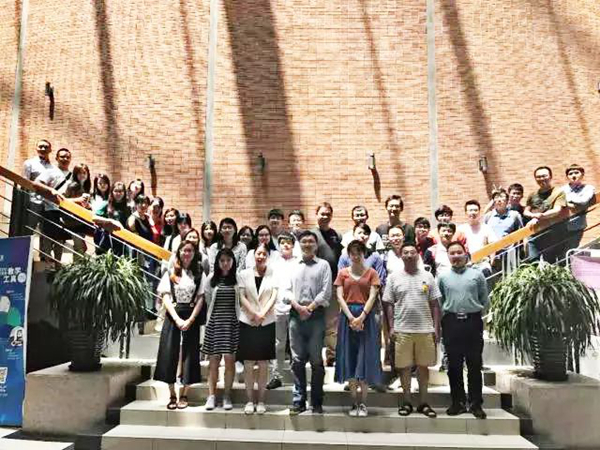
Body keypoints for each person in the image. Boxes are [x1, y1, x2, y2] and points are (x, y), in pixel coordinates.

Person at [383, 242, 441, 418]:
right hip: (402, 330)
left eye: (412, 252)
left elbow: (435, 304)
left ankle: (424, 403)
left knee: (423, 367)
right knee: (404, 368)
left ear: (418, 255)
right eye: (405, 252)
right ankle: (406, 402)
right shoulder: (393, 278)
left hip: (425, 330)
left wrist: (436, 328)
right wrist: (391, 327)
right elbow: (388, 304)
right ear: (401, 256)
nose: (409, 255)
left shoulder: (428, 276)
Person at [438, 241, 488, 419]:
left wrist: (477, 315)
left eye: (459, 252)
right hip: (451, 323)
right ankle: (457, 402)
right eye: (452, 253)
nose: (456, 256)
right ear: (448, 256)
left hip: (472, 322)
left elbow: (484, 299)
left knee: (474, 364)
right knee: (454, 365)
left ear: (465, 254)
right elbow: (439, 301)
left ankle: (475, 404)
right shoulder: (442, 277)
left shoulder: (477, 275)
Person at [285, 230, 332, 414]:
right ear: (299, 244)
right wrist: (299, 308)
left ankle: (317, 402)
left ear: (316, 245)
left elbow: (326, 292)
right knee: (297, 360)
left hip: (316, 316)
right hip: (295, 315)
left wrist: (309, 308)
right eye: (304, 241)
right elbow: (286, 290)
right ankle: (299, 401)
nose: (307, 244)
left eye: (311, 241)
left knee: (316, 360)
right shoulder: (292, 265)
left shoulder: (323, 265)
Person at [154, 240, 204, 410]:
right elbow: (166, 297)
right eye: (184, 251)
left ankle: (184, 393)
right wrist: (176, 319)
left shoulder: (199, 273)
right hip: (173, 315)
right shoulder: (170, 272)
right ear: (179, 253)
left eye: (190, 251)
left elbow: (201, 298)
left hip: (191, 315)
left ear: (194, 253)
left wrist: (190, 320)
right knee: (169, 352)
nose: (187, 254)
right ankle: (172, 394)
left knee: (190, 353)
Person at [334, 240, 381, 417]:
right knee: (350, 358)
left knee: (365, 357)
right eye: (352, 253)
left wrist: (361, 317)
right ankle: (354, 402)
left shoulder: (372, 273)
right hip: (347, 317)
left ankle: (363, 403)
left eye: (359, 253)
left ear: (364, 254)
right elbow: (339, 297)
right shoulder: (342, 273)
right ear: (348, 255)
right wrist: (351, 318)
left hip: (366, 318)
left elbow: (372, 296)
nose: (355, 256)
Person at [237, 243, 278, 414]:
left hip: (266, 322)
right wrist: (254, 314)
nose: (261, 256)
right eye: (258, 253)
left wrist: (262, 314)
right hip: (248, 321)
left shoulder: (274, 273)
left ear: (268, 256)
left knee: (263, 363)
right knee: (248, 363)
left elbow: (274, 296)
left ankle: (261, 400)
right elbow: (241, 296)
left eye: (264, 254)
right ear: (253, 255)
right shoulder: (243, 274)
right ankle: (249, 400)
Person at [202, 248, 240, 411]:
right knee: (214, 361)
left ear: (233, 262)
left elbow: (240, 301)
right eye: (222, 260)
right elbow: (207, 299)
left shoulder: (238, 279)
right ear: (217, 262)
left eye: (228, 260)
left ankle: (227, 395)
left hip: (232, 323)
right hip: (215, 322)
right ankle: (211, 395)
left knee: (230, 361)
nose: (225, 263)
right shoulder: (211, 279)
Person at [267, 232, 298, 390]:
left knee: (295, 344)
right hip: (277, 307)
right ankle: (276, 376)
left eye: (288, 242)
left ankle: (297, 376)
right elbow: (270, 286)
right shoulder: (273, 264)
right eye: (282, 242)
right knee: (278, 344)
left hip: (295, 308)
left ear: (293, 245)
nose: (286, 245)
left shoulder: (299, 263)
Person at [312, 202, 342, 367]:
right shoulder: (311, 234)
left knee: (332, 322)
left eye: (328, 214)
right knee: (315, 322)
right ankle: (315, 355)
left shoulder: (336, 235)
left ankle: (331, 355)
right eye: (322, 213)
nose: (325, 217)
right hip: (315, 285)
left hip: (333, 285)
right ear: (316, 214)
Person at [33, 148, 73, 265]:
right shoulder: (51, 171)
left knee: (60, 239)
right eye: (62, 156)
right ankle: (47, 264)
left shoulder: (72, 175)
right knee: (48, 238)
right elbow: (37, 183)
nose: (65, 159)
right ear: (56, 158)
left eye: (67, 157)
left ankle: (58, 265)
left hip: (65, 211)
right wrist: (51, 190)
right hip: (50, 209)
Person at [524, 166, 568, 263]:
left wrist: (541, 216)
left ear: (550, 177)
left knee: (549, 261)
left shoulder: (558, 192)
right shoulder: (533, 194)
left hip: (552, 232)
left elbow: (557, 210)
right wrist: (533, 216)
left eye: (544, 176)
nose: (541, 179)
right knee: (533, 260)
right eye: (538, 177)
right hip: (535, 232)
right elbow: (526, 211)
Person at [20, 139, 54, 237]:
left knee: (46, 234)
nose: (43, 149)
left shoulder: (52, 167)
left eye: (46, 147)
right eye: (40, 146)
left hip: (48, 204)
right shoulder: (29, 163)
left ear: (50, 150)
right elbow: (24, 182)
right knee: (28, 230)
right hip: (32, 202)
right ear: (36, 148)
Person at [562, 164, 596, 251]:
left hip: (577, 225)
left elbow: (583, 201)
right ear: (567, 177)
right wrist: (570, 204)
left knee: (571, 249)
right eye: (570, 174)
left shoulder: (588, 188)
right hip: (561, 224)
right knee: (559, 250)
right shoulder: (562, 189)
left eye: (576, 173)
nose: (573, 175)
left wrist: (567, 200)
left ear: (582, 174)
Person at [458, 200, 497, 275]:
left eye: (475, 210)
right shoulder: (460, 229)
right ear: (466, 213)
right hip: (466, 264)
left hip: (483, 264)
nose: (473, 212)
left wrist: (492, 261)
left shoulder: (486, 228)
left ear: (479, 212)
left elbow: (493, 245)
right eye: (470, 210)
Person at [92, 181, 131, 256]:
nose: (118, 193)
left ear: (124, 193)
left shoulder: (128, 207)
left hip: (122, 240)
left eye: (121, 191)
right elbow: (94, 217)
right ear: (112, 192)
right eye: (116, 191)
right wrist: (110, 221)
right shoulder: (106, 204)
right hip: (107, 239)